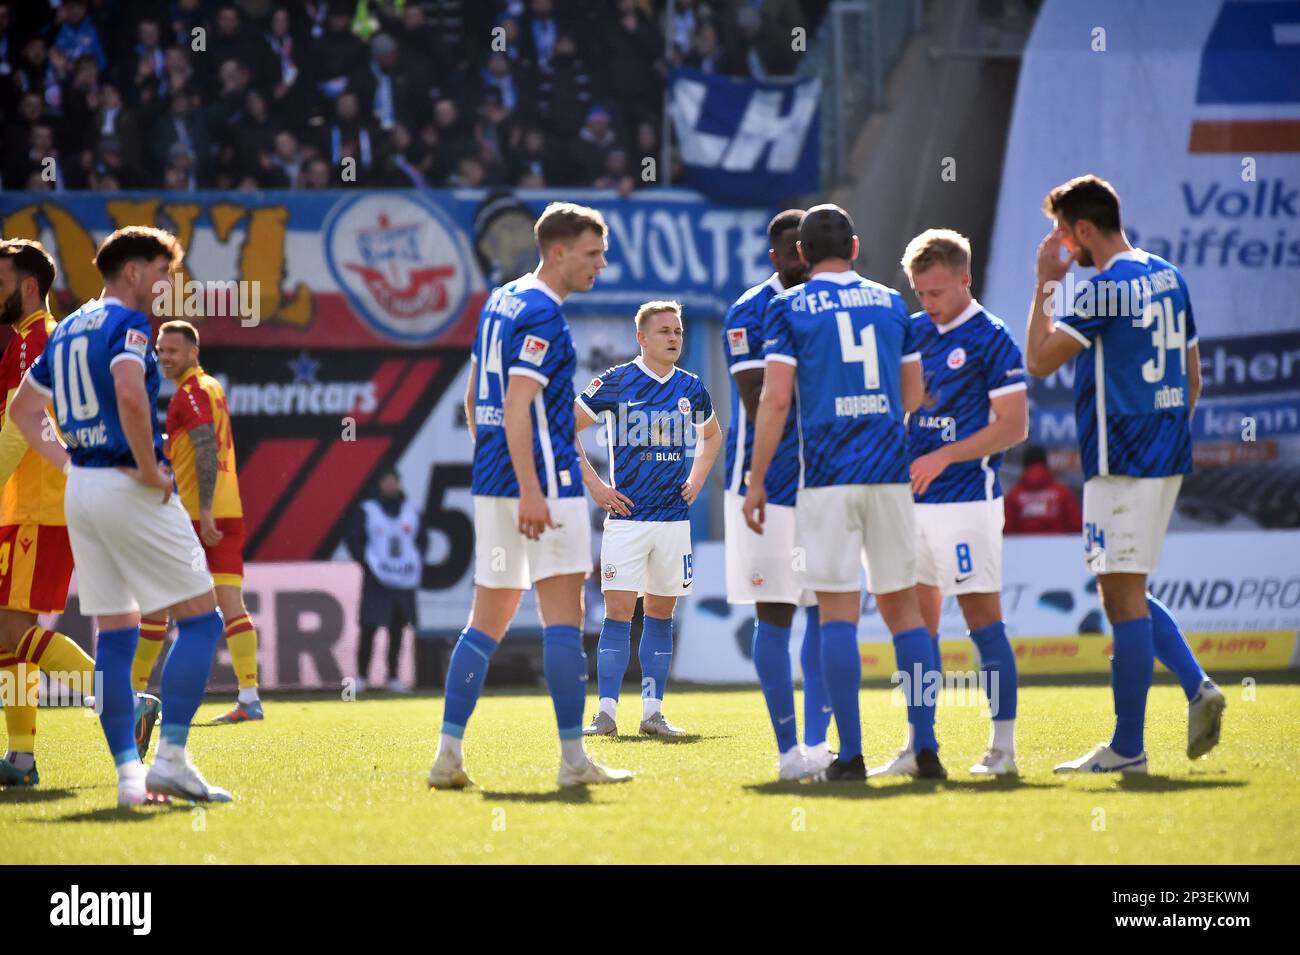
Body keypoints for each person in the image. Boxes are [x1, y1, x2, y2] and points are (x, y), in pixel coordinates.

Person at [8, 226, 232, 805]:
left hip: (83, 489)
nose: (166, 284)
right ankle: (173, 761)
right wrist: (145, 465)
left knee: (115, 634)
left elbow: (23, 409)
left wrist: (68, 460)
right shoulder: (128, 325)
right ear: (132, 271)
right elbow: (130, 394)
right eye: (162, 271)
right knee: (203, 620)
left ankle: (131, 779)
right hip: (125, 484)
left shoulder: (71, 325)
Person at [1024, 174, 1225, 773]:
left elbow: (1037, 361)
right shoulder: (1168, 274)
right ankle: (1197, 689)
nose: (1061, 245)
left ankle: (1129, 748)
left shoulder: (1105, 289)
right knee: (1123, 591)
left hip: (1121, 462)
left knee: (1122, 598)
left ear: (1083, 231)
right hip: (1165, 454)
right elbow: (1194, 376)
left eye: (1063, 234)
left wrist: (1046, 284)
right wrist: (1167, 435)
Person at [428, 202, 632, 789]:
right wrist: (534, 490)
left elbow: (477, 400)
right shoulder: (545, 314)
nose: (601, 264)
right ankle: (574, 762)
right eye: (593, 253)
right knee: (563, 622)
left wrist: (501, 468)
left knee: (484, 623)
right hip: (544, 489)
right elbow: (519, 405)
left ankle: (448, 757)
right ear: (559, 251)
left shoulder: (500, 301)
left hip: (496, 484)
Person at [743, 204, 931, 782]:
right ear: (855, 247)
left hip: (826, 477)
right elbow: (914, 394)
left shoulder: (789, 305)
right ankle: (926, 748)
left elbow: (775, 400)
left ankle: (849, 757)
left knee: (837, 615)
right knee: (906, 613)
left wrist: (755, 477)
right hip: (888, 473)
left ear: (800, 255)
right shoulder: (891, 301)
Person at [874, 228, 1027, 779]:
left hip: (967, 504)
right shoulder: (912, 331)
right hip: (909, 506)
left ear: (965, 279)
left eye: (937, 291)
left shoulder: (992, 338)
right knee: (918, 629)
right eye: (920, 292)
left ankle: (1003, 747)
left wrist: (945, 457)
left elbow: (1013, 427)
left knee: (984, 623)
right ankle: (921, 745)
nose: (928, 303)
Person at [720, 209, 833, 781]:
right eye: (791, 250)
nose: (801, 258)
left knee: (824, 610)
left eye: (808, 248)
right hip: (761, 483)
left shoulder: (830, 308)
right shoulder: (749, 311)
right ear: (776, 256)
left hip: (827, 480)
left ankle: (818, 745)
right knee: (776, 613)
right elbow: (759, 398)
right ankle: (788, 749)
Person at [575, 300, 721, 738]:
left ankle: (653, 714)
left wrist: (696, 480)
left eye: (678, 331)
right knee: (618, 613)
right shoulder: (616, 383)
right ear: (641, 337)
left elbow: (711, 438)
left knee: (661, 613)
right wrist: (597, 486)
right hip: (628, 520)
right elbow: (563, 428)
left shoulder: (692, 388)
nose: (674, 338)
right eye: (665, 331)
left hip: (674, 522)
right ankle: (605, 715)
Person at [131, 320, 263, 726]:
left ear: (193, 352)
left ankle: (128, 694)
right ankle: (249, 698)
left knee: (154, 610)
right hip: (230, 508)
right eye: (160, 350)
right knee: (231, 604)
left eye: (173, 350)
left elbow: (205, 445)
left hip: (193, 515)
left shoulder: (189, 393)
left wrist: (203, 508)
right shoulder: (213, 387)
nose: (164, 357)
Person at [0, 239, 97, 787]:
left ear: (29, 286)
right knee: (6, 634)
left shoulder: (38, 339)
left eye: (1, 283)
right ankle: (20, 758)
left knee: (14, 626)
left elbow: (20, 429)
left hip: (39, 506)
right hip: (23, 505)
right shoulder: (24, 342)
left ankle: (122, 703)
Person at [346, 467, 427, 693]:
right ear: (379, 483)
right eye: (387, 481)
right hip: (377, 579)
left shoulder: (411, 511)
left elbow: (422, 541)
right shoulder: (367, 510)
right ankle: (362, 677)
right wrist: (369, 563)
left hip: (403, 579)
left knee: (398, 629)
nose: (391, 485)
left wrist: (412, 562)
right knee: (369, 628)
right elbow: (354, 540)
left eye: (394, 481)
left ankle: (393, 677)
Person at [1004, 445, 1082, 535]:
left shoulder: (1014, 496)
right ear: (1045, 463)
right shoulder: (1062, 493)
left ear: (1024, 465)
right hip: (1059, 548)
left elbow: (1006, 531)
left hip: (1024, 548)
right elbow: (1076, 527)